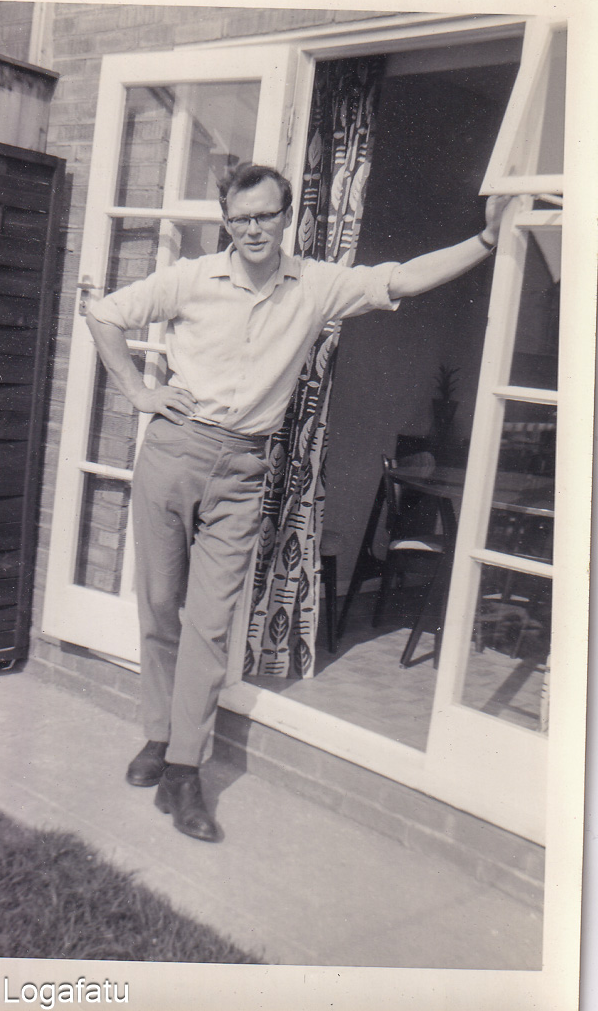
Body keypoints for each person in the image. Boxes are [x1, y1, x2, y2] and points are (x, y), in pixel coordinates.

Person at [87, 163, 508, 843]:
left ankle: (184, 771)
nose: (255, 228)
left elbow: (397, 277)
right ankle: (159, 736)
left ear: (287, 218)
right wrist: (139, 394)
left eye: (267, 215)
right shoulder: (192, 278)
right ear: (227, 219)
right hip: (173, 453)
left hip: (245, 470)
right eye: (242, 216)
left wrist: (485, 243)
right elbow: (104, 313)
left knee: (212, 624)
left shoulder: (313, 285)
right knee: (161, 606)